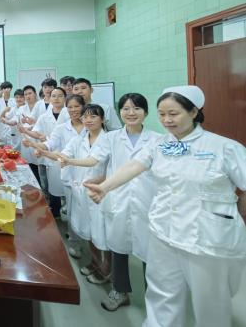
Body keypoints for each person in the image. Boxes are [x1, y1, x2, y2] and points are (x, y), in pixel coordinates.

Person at [85, 86, 246, 327]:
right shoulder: (159, 144)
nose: (167, 120)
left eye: (173, 113)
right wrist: (105, 187)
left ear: (194, 112)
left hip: (205, 239)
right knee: (161, 294)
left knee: (210, 302)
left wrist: (238, 214)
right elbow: (133, 166)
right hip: (162, 232)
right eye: (162, 114)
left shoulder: (224, 147)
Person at [61, 93, 162, 310]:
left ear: (146, 112)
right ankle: (120, 291)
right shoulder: (112, 138)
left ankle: (154, 301)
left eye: (136, 108)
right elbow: (94, 160)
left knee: (150, 254)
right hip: (118, 198)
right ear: (119, 112)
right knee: (118, 248)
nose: (131, 113)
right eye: (126, 109)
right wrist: (70, 161)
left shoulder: (157, 140)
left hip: (147, 201)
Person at [44, 104, 111, 284]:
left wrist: (68, 161)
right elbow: (63, 155)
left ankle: (107, 269)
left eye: (93, 116)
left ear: (102, 119)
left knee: (103, 233)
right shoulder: (79, 140)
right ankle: (95, 262)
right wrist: (44, 151)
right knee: (90, 231)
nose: (88, 120)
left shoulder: (108, 139)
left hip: (102, 192)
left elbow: (92, 161)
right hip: (83, 191)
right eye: (85, 117)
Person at [25, 95, 87, 258]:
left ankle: (90, 242)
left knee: (91, 213)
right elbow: (50, 144)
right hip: (70, 174)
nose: (73, 110)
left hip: (90, 175)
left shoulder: (91, 126)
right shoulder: (61, 128)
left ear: (83, 106)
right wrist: (37, 146)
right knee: (73, 211)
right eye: (70, 107)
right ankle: (74, 242)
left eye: (77, 106)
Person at [22, 87, 67, 217]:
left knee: (68, 187)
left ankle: (67, 210)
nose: (56, 99)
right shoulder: (44, 117)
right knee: (53, 185)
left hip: (67, 155)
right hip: (50, 154)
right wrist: (26, 132)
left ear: (65, 98)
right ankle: (56, 211)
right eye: (54, 96)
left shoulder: (70, 114)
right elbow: (37, 132)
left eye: (60, 96)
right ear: (49, 98)